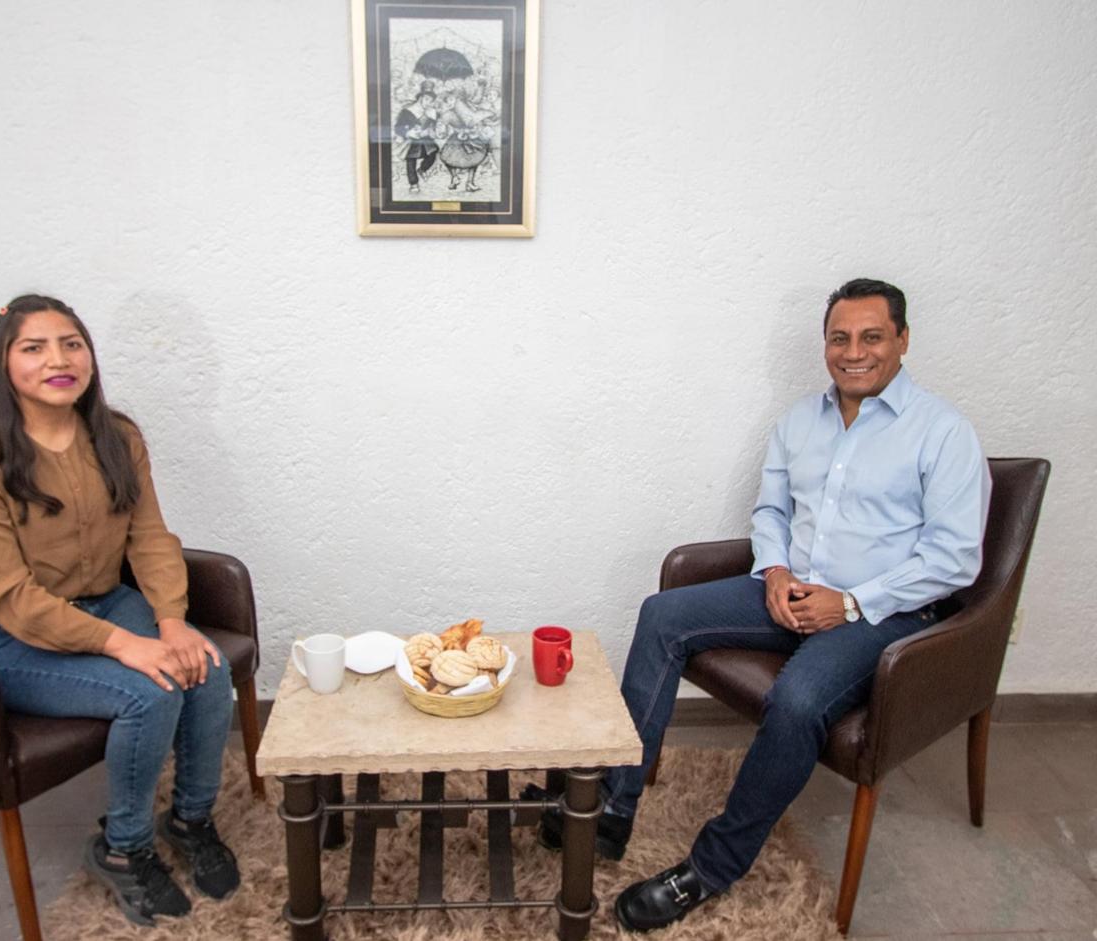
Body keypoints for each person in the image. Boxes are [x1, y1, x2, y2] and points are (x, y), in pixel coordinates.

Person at [530, 278, 992, 932]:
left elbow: (954, 559)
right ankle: (612, 808)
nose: (853, 351)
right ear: (825, 343)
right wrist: (774, 571)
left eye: (872, 337)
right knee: (663, 615)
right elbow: (771, 511)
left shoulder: (943, 433)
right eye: (839, 337)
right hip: (790, 589)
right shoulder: (800, 421)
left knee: (798, 699)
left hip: (880, 616)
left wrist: (849, 602)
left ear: (902, 340)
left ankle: (710, 867)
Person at [0, 294, 239, 927]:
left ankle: (190, 820)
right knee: (150, 692)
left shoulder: (117, 436)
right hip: (4, 632)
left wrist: (171, 622)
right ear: (2, 362)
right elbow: (15, 600)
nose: (58, 360)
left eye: (71, 344)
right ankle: (123, 848)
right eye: (34, 348)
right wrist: (127, 645)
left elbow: (149, 536)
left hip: (106, 599)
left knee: (206, 668)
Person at [394, 90, 440, 194]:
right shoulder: (407, 112)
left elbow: (435, 126)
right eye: (427, 100)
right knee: (411, 161)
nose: (429, 103)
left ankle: (422, 169)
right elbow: (398, 128)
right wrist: (408, 133)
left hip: (426, 139)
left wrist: (432, 131)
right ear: (421, 98)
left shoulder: (432, 112)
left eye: (431, 101)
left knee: (432, 154)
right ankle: (413, 184)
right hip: (412, 141)